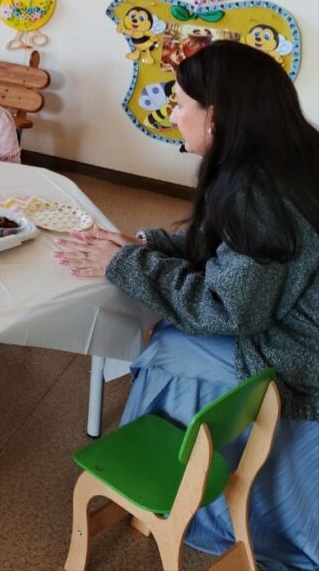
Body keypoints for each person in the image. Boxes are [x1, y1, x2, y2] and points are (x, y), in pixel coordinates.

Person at [55, 40, 319, 571]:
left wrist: (126, 264)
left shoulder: (258, 193)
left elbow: (226, 307)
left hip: (300, 356)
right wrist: (146, 246)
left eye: (179, 104)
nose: (173, 116)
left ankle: (169, 492)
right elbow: (228, 252)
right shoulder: (284, 160)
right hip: (294, 331)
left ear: (215, 116)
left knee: (165, 350)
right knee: (168, 335)